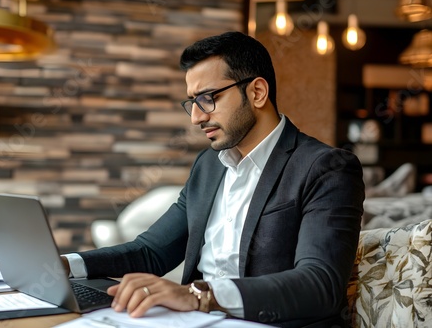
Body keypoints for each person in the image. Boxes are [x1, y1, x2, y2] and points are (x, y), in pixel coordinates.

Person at [62, 31, 365, 327]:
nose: (196, 117)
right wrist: (65, 265)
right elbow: (151, 251)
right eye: (192, 102)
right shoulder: (208, 165)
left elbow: (319, 285)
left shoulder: (326, 167)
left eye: (208, 98)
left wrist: (198, 296)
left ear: (257, 92)